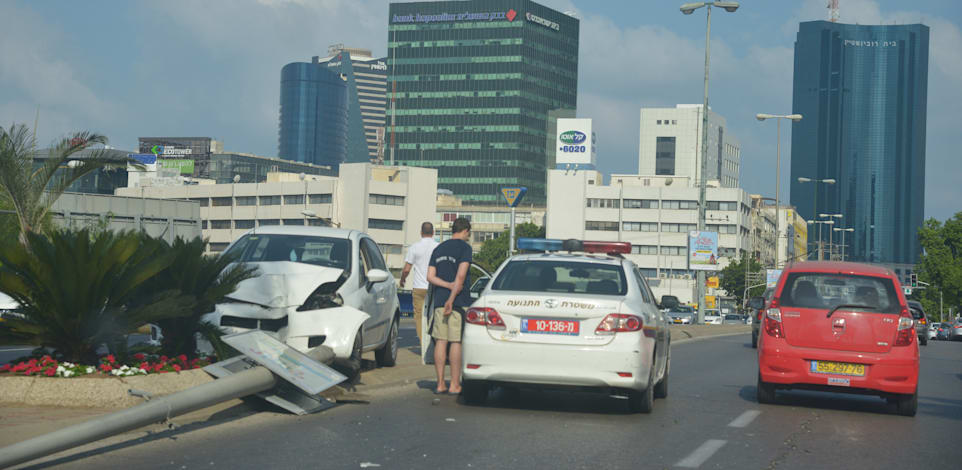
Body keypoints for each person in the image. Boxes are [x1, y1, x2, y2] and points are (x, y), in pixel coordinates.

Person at [426, 217, 472, 395]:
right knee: (456, 341)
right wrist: (452, 298)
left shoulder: (439, 248)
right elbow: (460, 277)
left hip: (439, 299)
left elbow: (430, 276)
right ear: (466, 231)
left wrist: (445, 287)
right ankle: (454, 384)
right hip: (458, 302)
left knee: (440, 341)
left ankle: (439, 384)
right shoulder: (465, 248)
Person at [399, 222, 439, 341]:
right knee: (434, 315)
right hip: (434, 286)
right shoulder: (438, 247)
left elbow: (406, 269)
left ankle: (423, 343)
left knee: (419, 316)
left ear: (421, 233)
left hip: (419, 288)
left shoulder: (414, 247)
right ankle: (434, 342)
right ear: (433, 233)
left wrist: (402, 280)